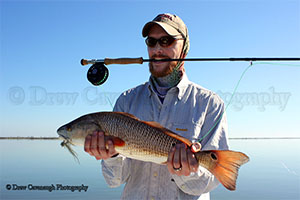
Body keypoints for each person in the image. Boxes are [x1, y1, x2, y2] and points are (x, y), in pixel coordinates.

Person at [84, 13, 229, 200]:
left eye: (166, 41)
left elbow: (207, 183)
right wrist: (110, 156)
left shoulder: (210, 103)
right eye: (151, 42)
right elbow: (114, 181)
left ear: (184, 49)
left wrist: (187, 171)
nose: (157, 49)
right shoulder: (126, 100)